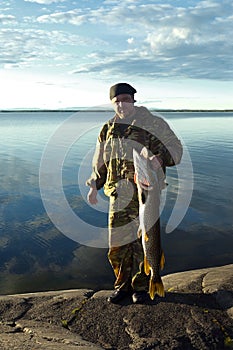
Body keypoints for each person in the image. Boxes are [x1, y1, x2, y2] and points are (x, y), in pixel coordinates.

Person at [86, 83, 183, 304]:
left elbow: (176, 149)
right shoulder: (107, 129)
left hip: (147, 192)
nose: (122, 104)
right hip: (118, 195)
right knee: (117, 245)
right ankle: (122, 287)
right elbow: (100, 162)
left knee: (145, 241)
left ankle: (142, 286)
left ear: (133, 100)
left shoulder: (153, 123)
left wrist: (160, 158)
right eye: (117, 100)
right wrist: (94, 185)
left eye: (126, 99)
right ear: (112, 103)